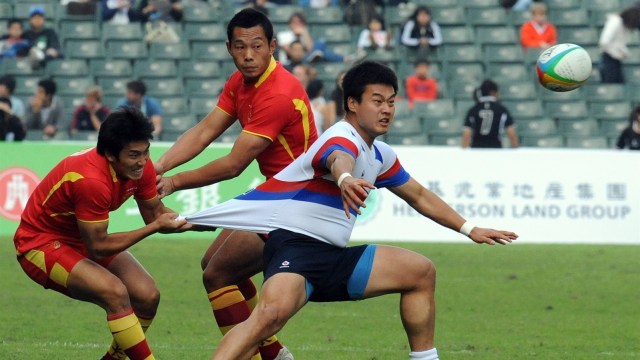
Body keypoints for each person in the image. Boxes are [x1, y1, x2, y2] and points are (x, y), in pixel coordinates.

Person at [179, 61, 518, 360]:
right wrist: (343, 178)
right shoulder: (340, 136)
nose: (386, 109)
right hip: (297, 252)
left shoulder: (380, 153)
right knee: (266, 318)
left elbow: (418, 195)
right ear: (352, 104)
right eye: (377, 101)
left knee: (419, 272)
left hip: (334, 259)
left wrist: (469, 228)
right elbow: (338, 157)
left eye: (391, 102)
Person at [154, 8, 317, 360]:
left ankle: (257, 354)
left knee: (217, 275)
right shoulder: (239, 82)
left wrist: (173, 182)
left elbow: (233, 164)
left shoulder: (278, 93)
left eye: (257, 46)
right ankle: (271, 352)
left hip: (299, 201)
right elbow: (204, 131)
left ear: (272, 46)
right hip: (278, 194)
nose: (248, 55)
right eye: (240, 46)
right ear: (229, 47)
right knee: (213, 263)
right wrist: (159, 166)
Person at [13, 106, 193, 360]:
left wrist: (198, 220)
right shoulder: (91, 181)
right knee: (115, 293)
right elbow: (100, 246)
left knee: (147, 295)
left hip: (83, 237)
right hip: (40, 244)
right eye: (133, 155)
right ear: (110, 154)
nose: (142, 162)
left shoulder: (141, 167)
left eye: (145, 152)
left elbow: (156, 214)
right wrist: (153, 227)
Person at [461, 79, 519, 149]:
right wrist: (515, 149)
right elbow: (511, 132)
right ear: (493, 92)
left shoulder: (473, 110)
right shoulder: (501, 109)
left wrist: (463, 152)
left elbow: (467, 134)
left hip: (476, 149)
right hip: (495, 149)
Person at [598, 5, 640, 83]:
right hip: (609, 61)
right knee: (611, 86)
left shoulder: (622, 26)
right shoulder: (615, 22)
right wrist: (617, 53)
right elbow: (604, 42)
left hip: (616, 61)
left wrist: (624, 52)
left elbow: (619, 44)